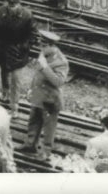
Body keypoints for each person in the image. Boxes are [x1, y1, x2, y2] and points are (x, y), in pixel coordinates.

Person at [20, 30, 68, 159]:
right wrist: (31, 89)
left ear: (51, 46)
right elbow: (37, 74)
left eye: (43, 45)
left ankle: (46, 151)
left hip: (50, 99)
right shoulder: (45, 54)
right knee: (34, 121)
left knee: (48, 127)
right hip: (39, 96)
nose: (41, 47)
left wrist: (45, 67)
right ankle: (30, 145)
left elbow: (58, 81)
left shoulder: (61, 61)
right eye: (41, 44)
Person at [0, 0, 36, 112]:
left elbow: (33, 34)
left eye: (15, 3)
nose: (12, 5)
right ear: (6, 2)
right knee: (4, 71)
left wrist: (23, 46)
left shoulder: (27, 15)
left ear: (19, 3)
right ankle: (5, 93)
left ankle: (14, 106)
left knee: (16, 79)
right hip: (2, 49)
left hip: (18, 52)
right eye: (10, 3)